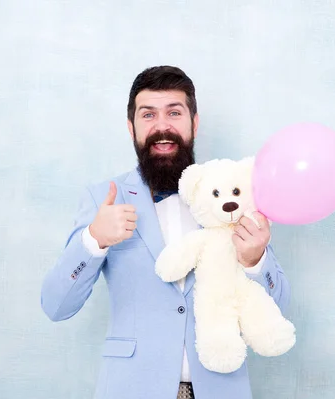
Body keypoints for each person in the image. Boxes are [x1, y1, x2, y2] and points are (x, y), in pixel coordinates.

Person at [41, 65, 291, 399]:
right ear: (131, 127)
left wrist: (255, 261)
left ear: (194, 123)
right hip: (131, 388)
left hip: (221, 388)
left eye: (174, 112)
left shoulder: (232, 196)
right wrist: (94, 240)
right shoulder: (102, 198)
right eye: (148, 115)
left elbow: (278, 310)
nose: (162, 126)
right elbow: (56, 306)